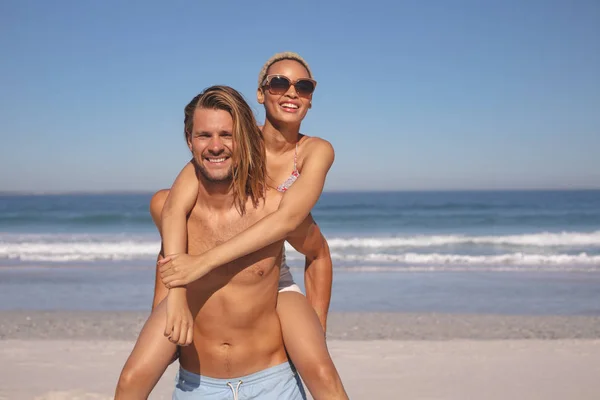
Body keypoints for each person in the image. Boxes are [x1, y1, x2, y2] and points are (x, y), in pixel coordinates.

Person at [116, 53, 348, 399]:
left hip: (271, 265)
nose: (291, 92)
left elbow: (289, 222)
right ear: (260, 93)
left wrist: (317, 330)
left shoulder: (314, 151)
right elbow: (173, 207)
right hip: (206, 256)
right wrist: (171, 298)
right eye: (279, 82)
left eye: (303, 86)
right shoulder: (232, 136)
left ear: (312, 97)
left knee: (320, 370)